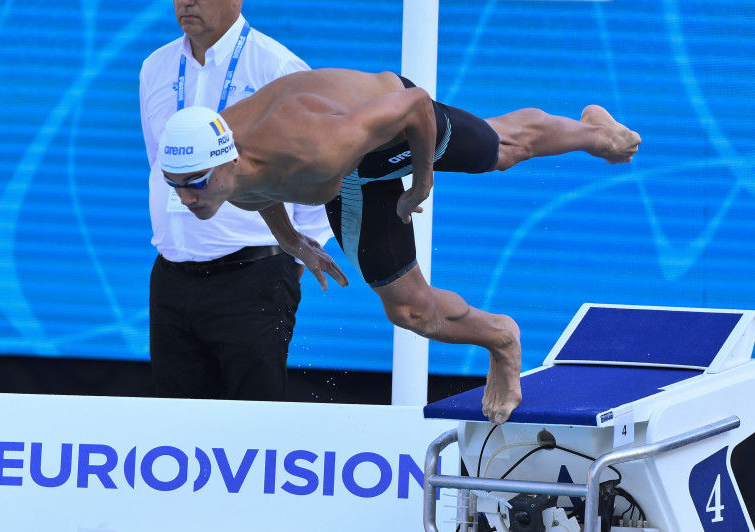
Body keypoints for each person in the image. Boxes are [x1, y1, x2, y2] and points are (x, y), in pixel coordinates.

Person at [157, 68, 642, 423]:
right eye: (174, 184)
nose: (184, 198)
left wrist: (422, 180)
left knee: (503, 150)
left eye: (193, 184)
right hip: (348, 175)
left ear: (228, 162)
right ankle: (502, 337)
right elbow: (258, 187)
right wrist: (290, 240)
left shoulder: (316, 145)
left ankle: (598, 134)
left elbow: (417, 105)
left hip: (390, 129)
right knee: (409, 312)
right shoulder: (212, 174)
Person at [138, 0, 332, 401]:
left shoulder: (278, 69)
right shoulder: (155, 67)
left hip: (252, 277)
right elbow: (159, 162)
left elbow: (316, 173)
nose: (186, 2)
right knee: (175, 429)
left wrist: (294, 259)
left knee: (252, 427)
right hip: (172, 278)